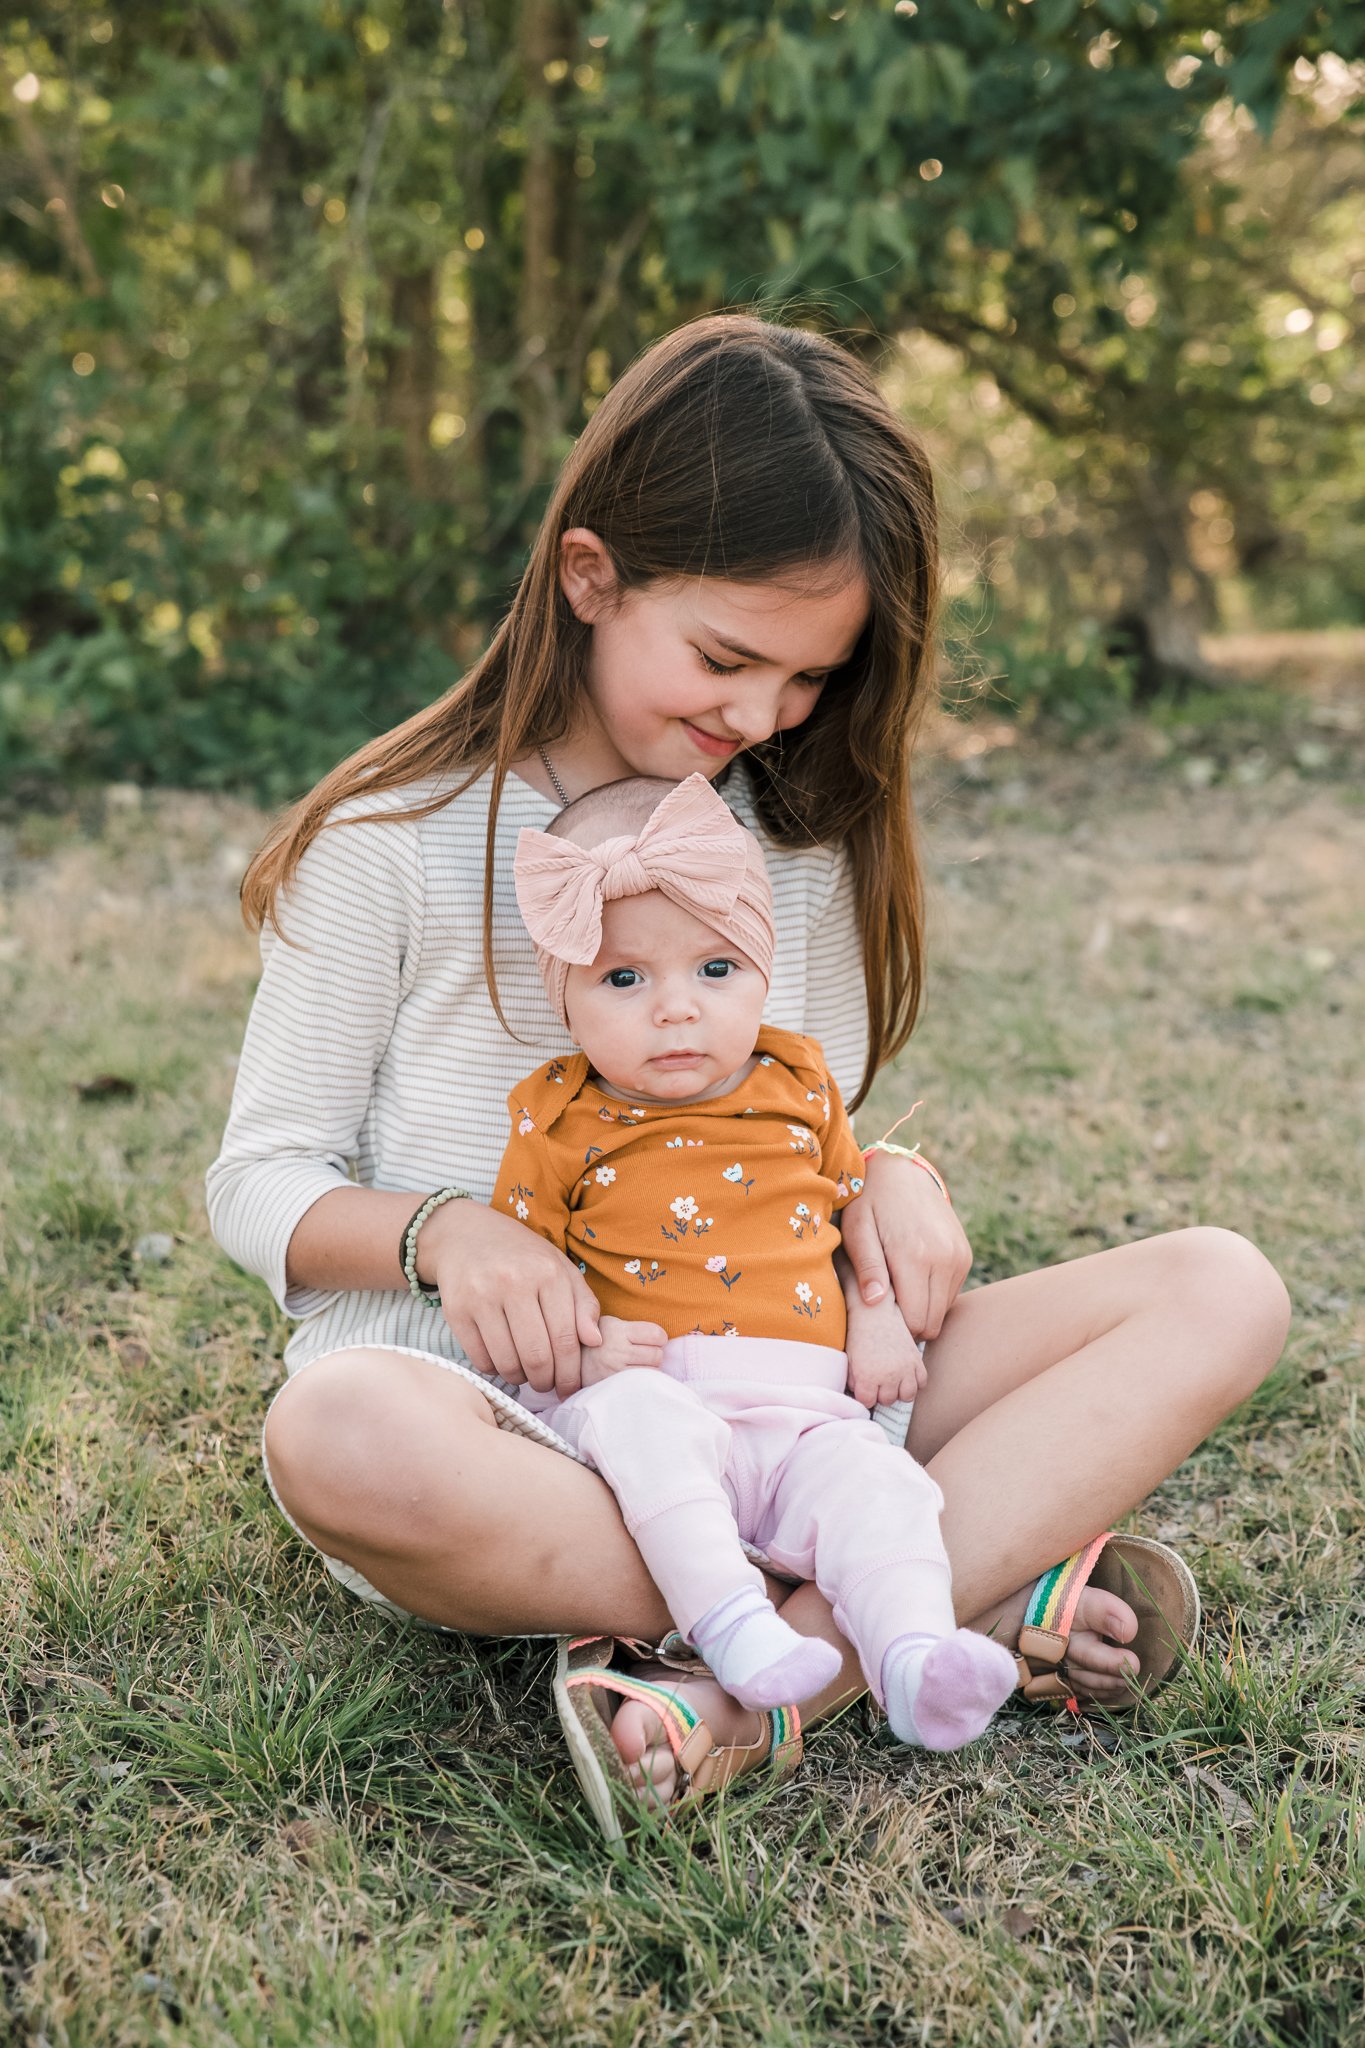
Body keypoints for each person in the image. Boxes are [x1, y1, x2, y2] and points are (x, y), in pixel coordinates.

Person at [208, 313, 1290, 1822]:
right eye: (726, 659)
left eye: (803, 680)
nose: (758, 719)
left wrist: (891, 1177)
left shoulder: (790, 837)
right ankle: (942, 1593)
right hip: (521, 1422)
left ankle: (748, 1692)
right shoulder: (388, 846)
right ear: (592, 576)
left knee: (1221, 1285)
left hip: (790, 1389)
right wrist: (440, 1232)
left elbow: (790, 1127)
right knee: (334, 1438)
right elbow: (260, 1180)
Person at [494, 770, 1019, 1770]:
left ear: (764, 970)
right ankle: (733, 1624)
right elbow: (523, 1269)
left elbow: (846, 1207)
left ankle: (914, 1655)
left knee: (883, 1488)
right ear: (565, 999)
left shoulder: (800, 1077)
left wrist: (879, 1318)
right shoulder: (555, 1114)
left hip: (810, 1408)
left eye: (715, 968)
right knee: (646, 1435)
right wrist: (588, 1346)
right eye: (624, 979)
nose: (677, 1011)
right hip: (655, 1389)